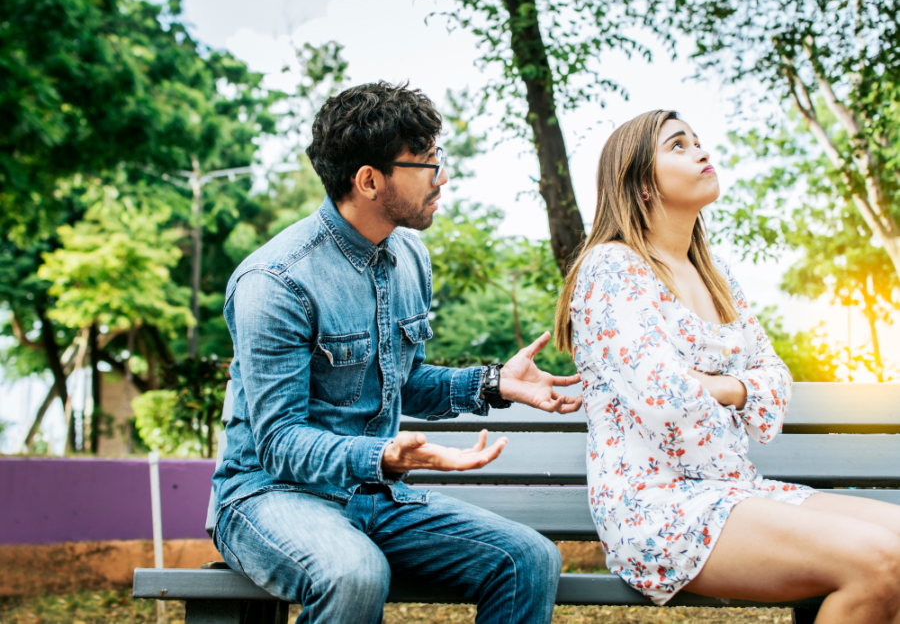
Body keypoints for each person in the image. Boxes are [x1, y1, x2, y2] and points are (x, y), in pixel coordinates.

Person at [211, 81, 583, 624]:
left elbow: (401, 380)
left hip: (373, 495)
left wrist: (494, 383)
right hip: (267, 496)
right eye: (426, 163)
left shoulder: (409, 255)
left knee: (527, 559)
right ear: (369, 180)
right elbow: (279, 445)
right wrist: (381, 457)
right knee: (355, 574)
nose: (442, 176)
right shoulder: (277, 282)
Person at [554, 109, 900, 621]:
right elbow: (663, 397)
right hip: (658, 508)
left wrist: (727, 388)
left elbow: (776, 379)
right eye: (677, 145)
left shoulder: (716, 277)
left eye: (697, 140)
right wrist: (731, 385)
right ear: (640, 184)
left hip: (735, 489)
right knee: (882, 562)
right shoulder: (612, 267)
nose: (701, 151)